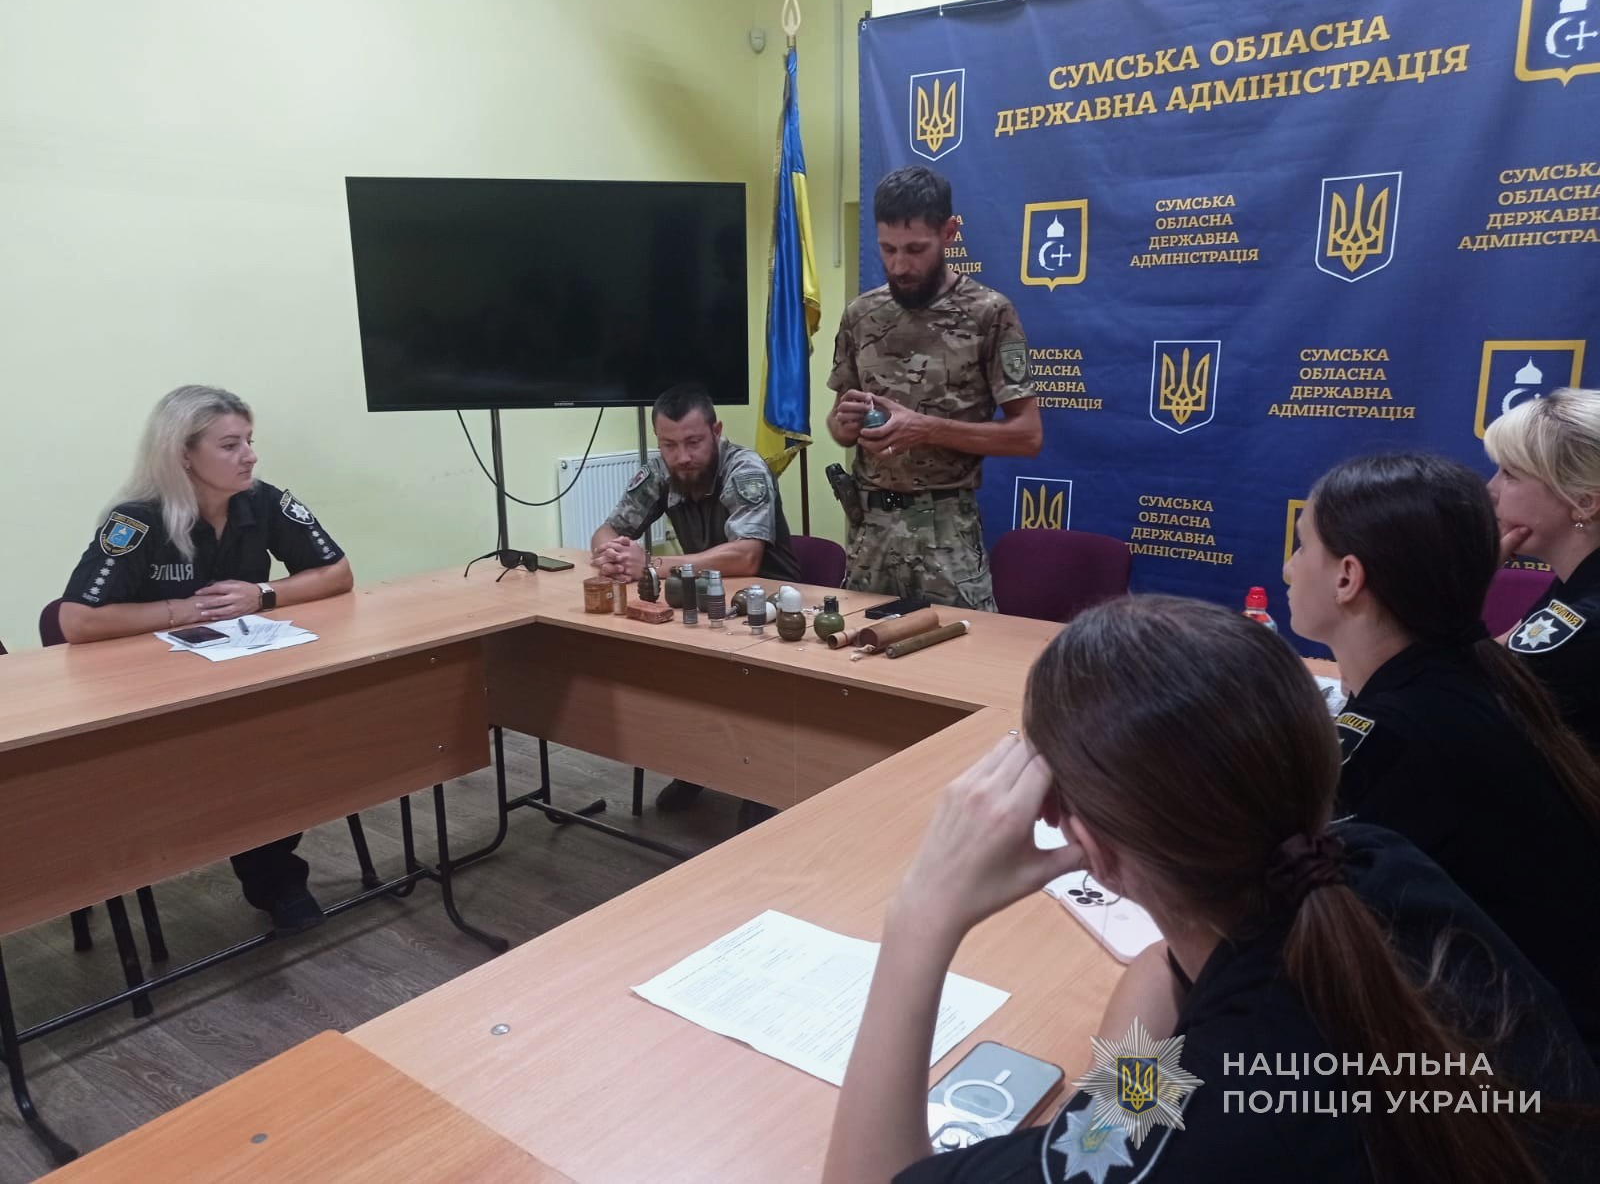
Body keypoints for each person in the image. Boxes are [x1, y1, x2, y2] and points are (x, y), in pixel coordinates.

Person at [823, 596, 1599, 1183]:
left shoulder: (1205, 1140)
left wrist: (921, 916)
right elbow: (1167, 969)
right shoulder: (1365, 861)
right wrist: (1111, 1108)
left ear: (1087, 840)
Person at [1285, 451, 1600, 1064]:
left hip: (1509, 1079)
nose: (1288, 567)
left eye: (1302, 546)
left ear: (1348, 578)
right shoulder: (1474, 676)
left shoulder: (1396, 741)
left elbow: (1275, 945)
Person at [59, 385, 355, 931]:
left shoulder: (263, 501)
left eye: (249, 440)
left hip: (244, 675)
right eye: (230, 445)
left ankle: (275, 876)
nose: (250, 456)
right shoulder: (138, 520)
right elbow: (77, 620)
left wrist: (264, 594)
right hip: (154, 692)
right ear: (183, 455)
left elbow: (337, 573)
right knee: (246, 755)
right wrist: (182, 610)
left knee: (288, 741)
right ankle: (275, 880)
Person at [824, 166, 1041, 611]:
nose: (900, 266)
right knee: (859, 647)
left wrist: (925, 428)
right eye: (888, 249)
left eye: (916, 249)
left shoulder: (989, 313)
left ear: (949, 232)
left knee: (960, 647)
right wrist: (842, 425)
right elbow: (838, 423)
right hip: (870, 530)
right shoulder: (861, 314)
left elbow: (1027, 436)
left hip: (947, 531)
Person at [591, 385, 799, 824]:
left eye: (693, 442)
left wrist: (650, 563)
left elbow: (746, 557)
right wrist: (612, 554)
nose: (682, 456)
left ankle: (761, 786)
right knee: (678, 680)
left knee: (750, 689)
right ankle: (694, 767)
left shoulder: (744, 468)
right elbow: (607, 530)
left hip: (767, 606)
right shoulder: (659, 471)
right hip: (701, 599)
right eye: (669, 445)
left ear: (716, 431)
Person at [1484, 388, 1600, 751]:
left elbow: (1446, 704)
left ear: (1583, 501)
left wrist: (1466, 585)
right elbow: (1505, 650)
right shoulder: (1578, 581)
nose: (1491, 489)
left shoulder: (1585, 622)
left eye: (1510, 474)